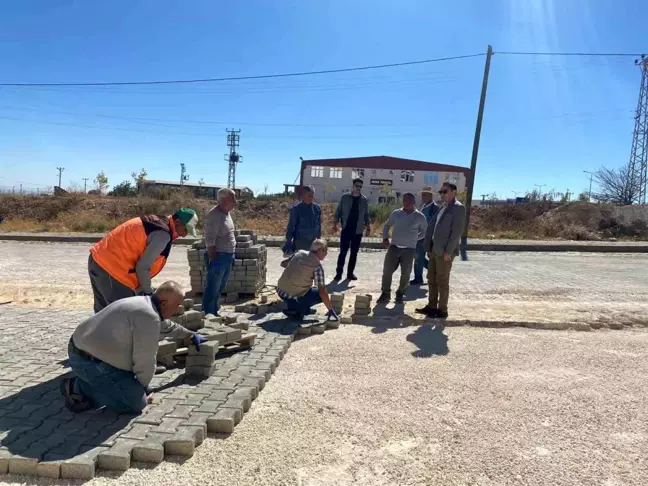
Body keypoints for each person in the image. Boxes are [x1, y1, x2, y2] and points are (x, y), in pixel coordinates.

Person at [61, 281, 207, 414]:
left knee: (132, 390)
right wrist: (140, 389)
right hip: (87, 359)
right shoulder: (148, 317)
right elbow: (145, 360)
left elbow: (166, 326)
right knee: (135, 404)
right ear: (163, 303)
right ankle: (77, 388)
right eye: (176, 306)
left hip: (85, 350)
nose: (177, 310)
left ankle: (106, 384)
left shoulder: (145, 304)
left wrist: (190, 335)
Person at [88, 208, 198, 313]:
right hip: (113, 269)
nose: (184, 235)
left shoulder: (157, 222)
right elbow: (143, 267)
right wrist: (149, 293)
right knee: (122, 315)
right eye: (185, 230)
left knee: (102, 315)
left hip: (98, 259)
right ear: (177, 222)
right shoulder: (162, 234)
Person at [416, 181, 466, 318]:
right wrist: (428, 247)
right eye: (441, 192)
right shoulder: (442, 207)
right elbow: (433, 227)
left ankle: (442, 310)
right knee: (431, 278)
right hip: (434, 250)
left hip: (445, 252)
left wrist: (448, 252)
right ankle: (432, 306)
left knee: (442, 281)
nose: (442, 194)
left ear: (454, 192)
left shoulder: (458, 208)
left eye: (445, 191)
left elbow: (456, 233)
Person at [377, 193, 427, 304]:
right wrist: (385, 238)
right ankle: (385, 293)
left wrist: (414, 239)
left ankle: (400, 294)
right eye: (404, 200)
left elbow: (424, 232)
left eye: (409, 200)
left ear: (414, 202)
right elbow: (387, 225)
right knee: (387, 271)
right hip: (394, 247)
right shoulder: (397, 213)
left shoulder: (419, 216)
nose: (406, 203)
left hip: (409, 250)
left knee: (406, 274)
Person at [276, 239, 339, 321]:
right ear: (318, 250)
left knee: (308, 288)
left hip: (280, 290)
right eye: (325, 250)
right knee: (320, 295)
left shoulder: (299, 252)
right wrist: (330, 309)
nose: (326, 253)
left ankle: (296, 307)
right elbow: (322, 291)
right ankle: (297, 310)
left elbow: (284, 264)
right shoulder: (317, 267)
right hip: (292, 295)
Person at [202, 188, 237, 316]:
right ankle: (208, 313)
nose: (235, 202)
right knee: (213, 287)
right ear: (223, 200)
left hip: (227, 256)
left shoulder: (226, 213)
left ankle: (214, 310)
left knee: (220, 287)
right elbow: (209, 240)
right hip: (219, 257)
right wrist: (213, 259)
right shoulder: (214, 215)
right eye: (233, 199)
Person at [333, 178, 371, 281]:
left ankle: (350, 274)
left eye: (360, 186)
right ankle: (338, 274)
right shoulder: (344, 198)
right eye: (356, 186)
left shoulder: (363, 200)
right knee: (343, 253)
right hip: (346, 229)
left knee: (354, 253)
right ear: (352, 186)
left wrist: (368, 227)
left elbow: (366, 215)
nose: (358, 188)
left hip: (358, 231)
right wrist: (335, 224)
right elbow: (338, 211)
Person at [410, 187, 440, 285]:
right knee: (419, 257)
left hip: (426, 237)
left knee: (419, 258)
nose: (423, 196)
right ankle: (433, 272)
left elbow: (435, 224)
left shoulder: (434, 208)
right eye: (423, 194)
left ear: (431, 195)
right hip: (420, 236)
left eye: (425, 194)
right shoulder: (424, 206)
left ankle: (419, 278)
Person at [285, 185, 321, 253]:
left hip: (313, 242)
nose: (311, 198)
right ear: (303, 196)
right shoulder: (297, 209)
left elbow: (319, 225)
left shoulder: (317, 208)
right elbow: (291, 226)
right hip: (300, 242)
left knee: (311, 262)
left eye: (312, 195)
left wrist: (319, 239)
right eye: (309, 195)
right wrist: (288, 241)